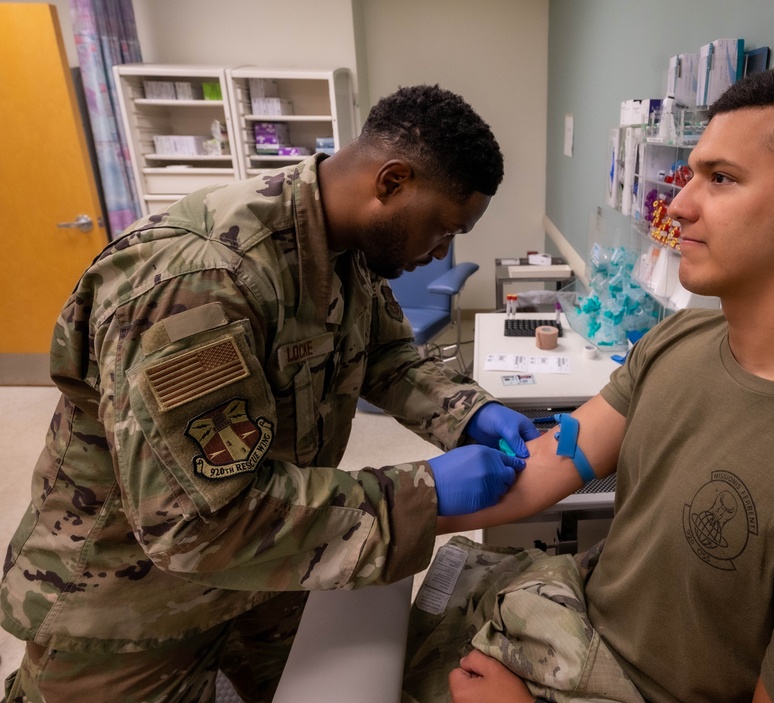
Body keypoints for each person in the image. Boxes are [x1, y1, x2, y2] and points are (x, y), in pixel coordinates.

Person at [411, 67, 774, 703]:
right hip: (567, 623)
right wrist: (387, 509)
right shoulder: (678, 344)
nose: (677, 204)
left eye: (720, 178)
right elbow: (544, 466)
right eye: (689, 174)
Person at [1, 84, 541, 702]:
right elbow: (197, 523)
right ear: (391, 182)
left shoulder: (349, 248)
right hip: (129, 601)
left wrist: (472, 412)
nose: (442, 251)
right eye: (442, 228)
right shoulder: (202, 283)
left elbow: (386, 355)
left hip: (267, 561)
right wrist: (426, 492)